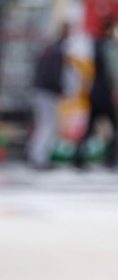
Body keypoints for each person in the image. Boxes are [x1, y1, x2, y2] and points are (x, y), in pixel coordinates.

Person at [75, 17, 117, 171]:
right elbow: (111, 71)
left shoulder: (95, 44)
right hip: (105, 93)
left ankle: (79, 158)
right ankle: (112, 159)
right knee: (113, 125)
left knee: (90, 128)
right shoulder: (108, 46)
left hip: (95, 92)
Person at [28, 23, 67, 168]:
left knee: (43, 125)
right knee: (48, 126)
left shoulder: (48, 49)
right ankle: (39, 158)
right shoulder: (58, 51)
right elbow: (54, 75)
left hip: (39, 90)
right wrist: (61, 90)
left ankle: (35, 154)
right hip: (47, 93)